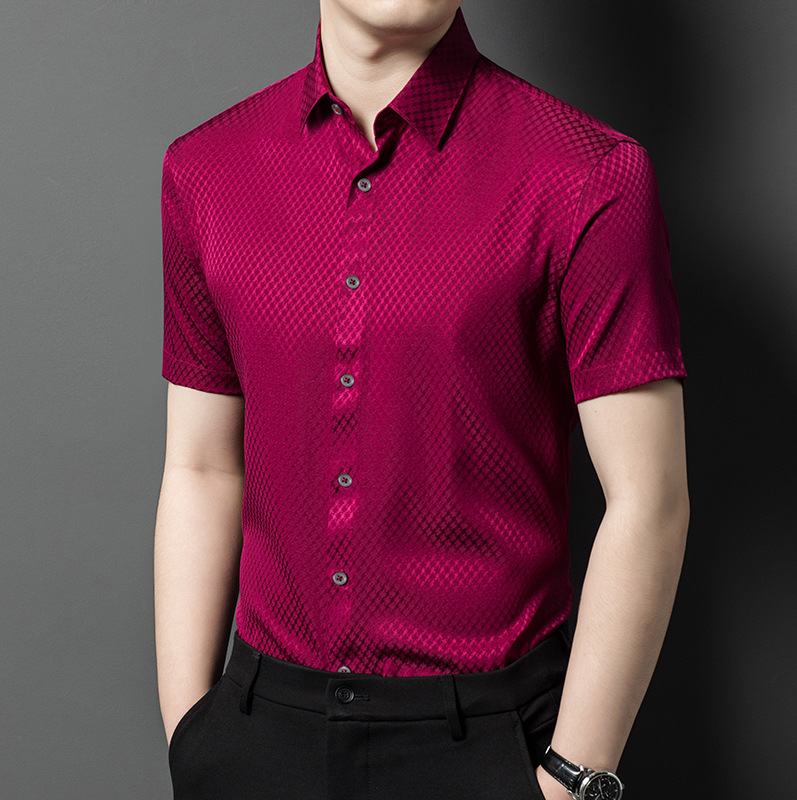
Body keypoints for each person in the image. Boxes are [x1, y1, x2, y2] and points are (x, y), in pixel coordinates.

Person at [153, 1, 689, 798]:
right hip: (262, 735)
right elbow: (201, 467)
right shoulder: (206, 170)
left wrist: (570, 779)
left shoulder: (585, 172)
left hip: (490, 741)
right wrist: (192, 739)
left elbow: (649, 500)